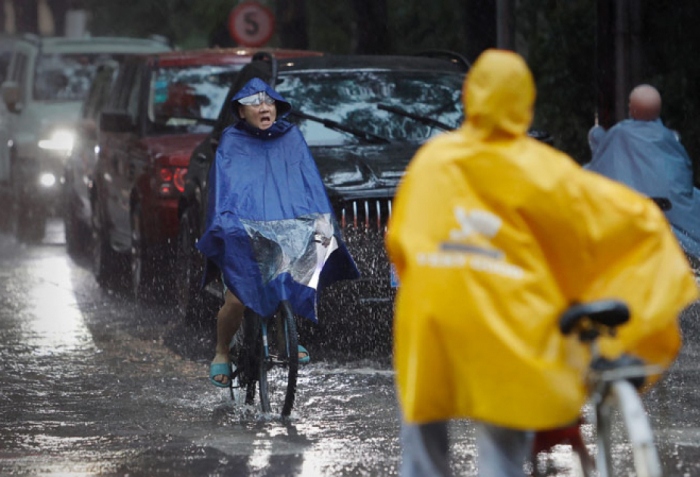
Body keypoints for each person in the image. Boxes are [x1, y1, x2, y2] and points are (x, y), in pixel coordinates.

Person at [385, 49, 698, 477]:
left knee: (423, 446)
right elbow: (620, 221)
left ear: (469, 95)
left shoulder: (432, 160)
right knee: (501, 451)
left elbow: (400, 243)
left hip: (430, 321)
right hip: (507, 323)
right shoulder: (544, 168)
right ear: (526, 103)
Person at [196, 78, 359, 387]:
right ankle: (221, 351)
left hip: (286, 224)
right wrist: (226, 222)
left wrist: (320, 218)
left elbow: (308, 184)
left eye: (269, 102)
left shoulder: (291, 138)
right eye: (255, 103)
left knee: (303, 256)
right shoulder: (231, 141)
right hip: (244, 227)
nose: (264, 107)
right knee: (236, 301)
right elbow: (226, 189)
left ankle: (287, 335)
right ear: (241, 112)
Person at [586, 84, 700, 259]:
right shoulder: (668, 137)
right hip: (669, 213)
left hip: (629, 214)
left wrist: (596, 135)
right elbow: (682, 174)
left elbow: (601, 159)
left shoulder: (619, 133)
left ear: (631, 109)